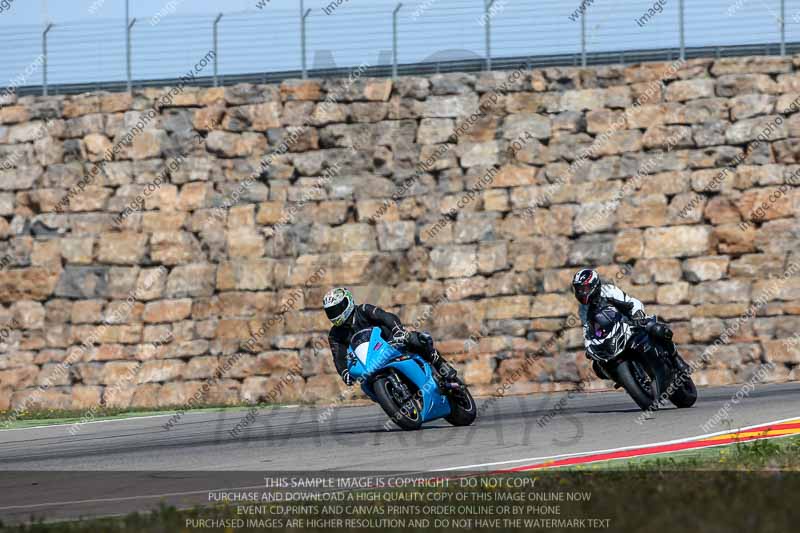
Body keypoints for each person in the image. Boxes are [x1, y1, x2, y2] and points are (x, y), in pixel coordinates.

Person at [323, 287, 459, 387]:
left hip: (390, 343)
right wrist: (344, 373)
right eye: (331, 311)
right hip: (369, 362)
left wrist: (397, 331)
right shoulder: (334, 334)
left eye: (338, 308)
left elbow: (386, 317)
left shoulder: (363, 310)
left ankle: (441, 365)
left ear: (348, 301)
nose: (336, 314)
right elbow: (338, 356)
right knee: (363, 382)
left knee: (414, 339)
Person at [571, 268, 691, 377]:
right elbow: (587, 329)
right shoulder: (583, 309)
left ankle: (676, 359)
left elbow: (631, 302)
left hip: (630, 323)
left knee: (658, 330)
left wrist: (638, 315)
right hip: (610, 335)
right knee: (597, 367)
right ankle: (624, 378)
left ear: (594, 285)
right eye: (579, 289)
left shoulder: (609, 291)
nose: (582, 292)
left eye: (584, 288)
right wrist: (589, 346)